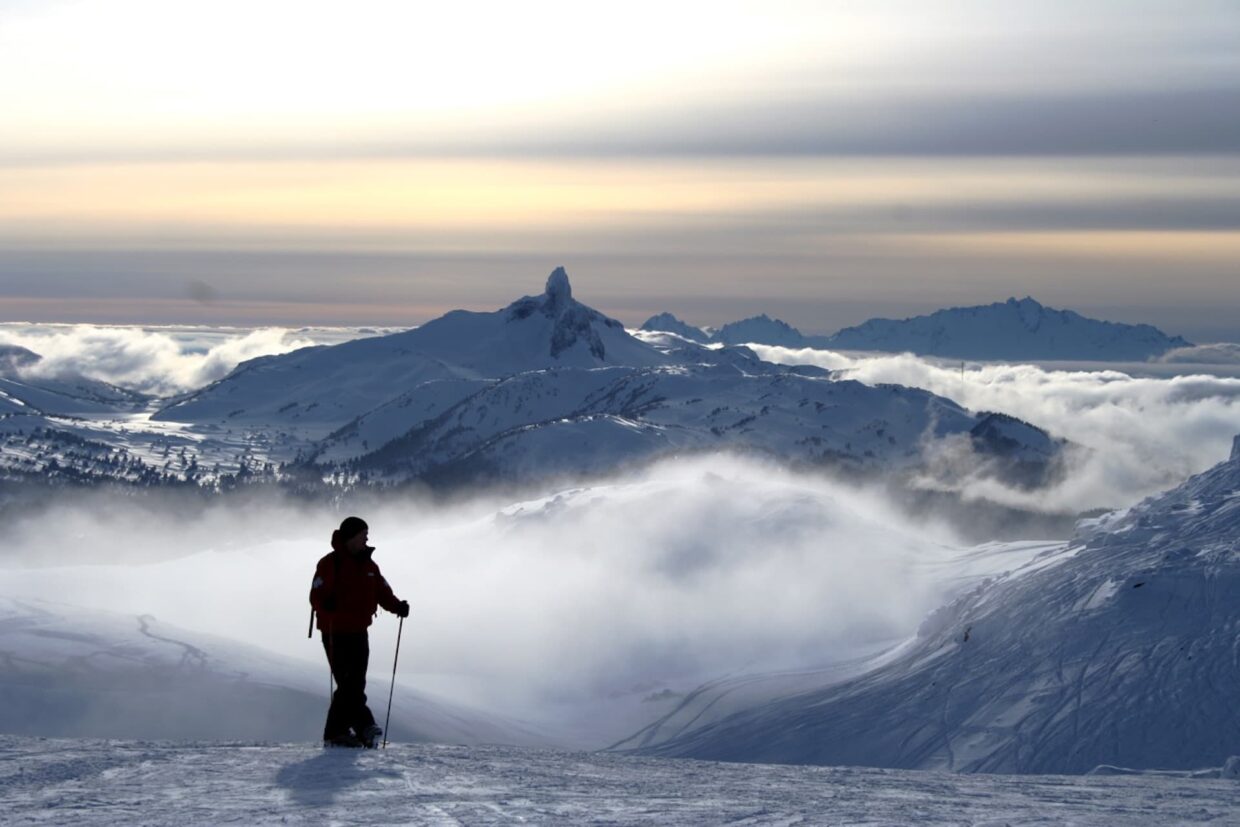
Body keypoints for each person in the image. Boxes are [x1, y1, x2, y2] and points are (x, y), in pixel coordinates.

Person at [309, 516, 409, 748]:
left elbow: (382, 592)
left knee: (353, 684)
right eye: (363, 534)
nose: (366, 538)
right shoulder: (330, 563)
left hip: (359, 631)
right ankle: (363, 727)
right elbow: (316, 594)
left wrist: (398, 607)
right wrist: (325, 605)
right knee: (349, 683)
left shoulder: (369, 566)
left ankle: (341, 733)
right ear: (351, 537)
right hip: (335, 631)